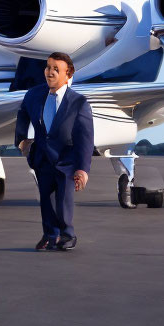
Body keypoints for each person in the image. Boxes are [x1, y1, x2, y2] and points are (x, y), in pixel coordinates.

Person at [15, 52, 94, 251]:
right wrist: (21, 138)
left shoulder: (78, 102)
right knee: (46, 201)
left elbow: (85, 137)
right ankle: (50, 235)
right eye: (48, 67)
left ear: (68, 75)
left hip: (66, 160)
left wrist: (83, 169)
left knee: (63, 200)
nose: (50, 72)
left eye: (56, 69)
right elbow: (23, 113)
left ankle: (68, 235)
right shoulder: (33, 94)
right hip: (42, 157)